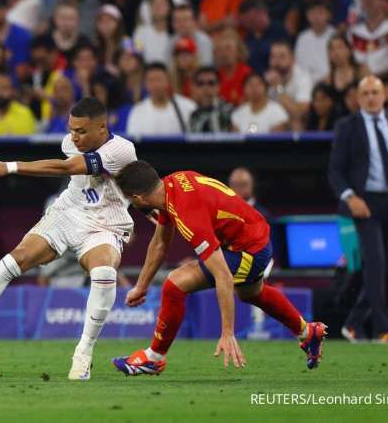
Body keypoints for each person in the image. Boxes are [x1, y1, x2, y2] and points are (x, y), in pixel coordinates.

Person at [0, 97, 137, 381]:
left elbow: (66, 169)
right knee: (16, 259)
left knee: (103, 271)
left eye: (81, 131)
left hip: (105, 222)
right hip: (69, 211)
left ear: (102, 128)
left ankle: (84, 353)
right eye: (71, 129)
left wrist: (8, 167)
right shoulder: (70, 143)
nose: (73, 137)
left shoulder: (122, 149)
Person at [110, 161, 326, 375]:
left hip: (249, 250)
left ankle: (154, 358)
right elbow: (160, 244)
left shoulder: (188, 215)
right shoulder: (173, 184)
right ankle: (308, 332)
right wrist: (141, 286)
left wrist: (227, 332)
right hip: (252, 234)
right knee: (252, 293)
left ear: (137, 199)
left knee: (175, 284)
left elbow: (223, 276)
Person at [328, 76, 388, 342]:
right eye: (365, 93)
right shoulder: (347, 126)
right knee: (376, 264)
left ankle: (354, 323)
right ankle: (383, 328)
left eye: (375, 92)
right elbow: (335, 170)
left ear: (384, 96)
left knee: (387, 267)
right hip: (363, 204)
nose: (371, 97)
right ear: (358, 98)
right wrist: (349, 197)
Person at [126, 62, 196, 136]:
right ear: (145, 84)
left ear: (169, 81)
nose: (156, 85)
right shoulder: (137, 111)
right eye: (151, 80)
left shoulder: (188, 107)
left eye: (159, 79)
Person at [294, 0, 336, 83]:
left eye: (320, 13)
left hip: (330, 81)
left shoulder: (335, 35)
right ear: (307, 16)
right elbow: (298, 65)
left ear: (329, 15)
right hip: (306, 83)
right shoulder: (302, 38)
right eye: (313, 13)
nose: (316, 17)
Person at [188, 66, 233, 133]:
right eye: (200, 83)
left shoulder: (230, 111)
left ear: (219, 86)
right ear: (194, 88)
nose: (206, 88)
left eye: (211, 83)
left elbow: (252, 128)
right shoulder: (192, 116)